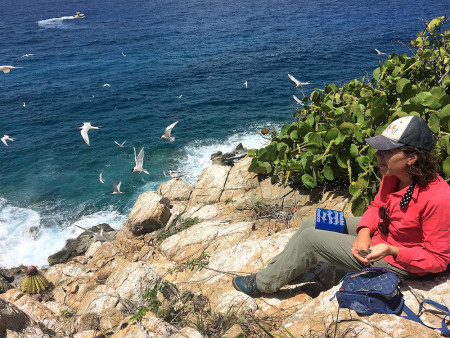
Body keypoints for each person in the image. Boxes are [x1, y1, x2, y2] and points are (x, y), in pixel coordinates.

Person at [232, 115, 450, 295]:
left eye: (387, 151)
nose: (378, 155)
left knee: (311, 240)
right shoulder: (393, 175)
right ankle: (283, 269)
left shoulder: (438, 197)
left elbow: (438, 259)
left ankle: (263, 284)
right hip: (385, 232)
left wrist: (392, 250)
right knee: (312, 222)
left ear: (412, 157)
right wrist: (364, 231)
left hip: (401, 263)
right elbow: (376, 207)